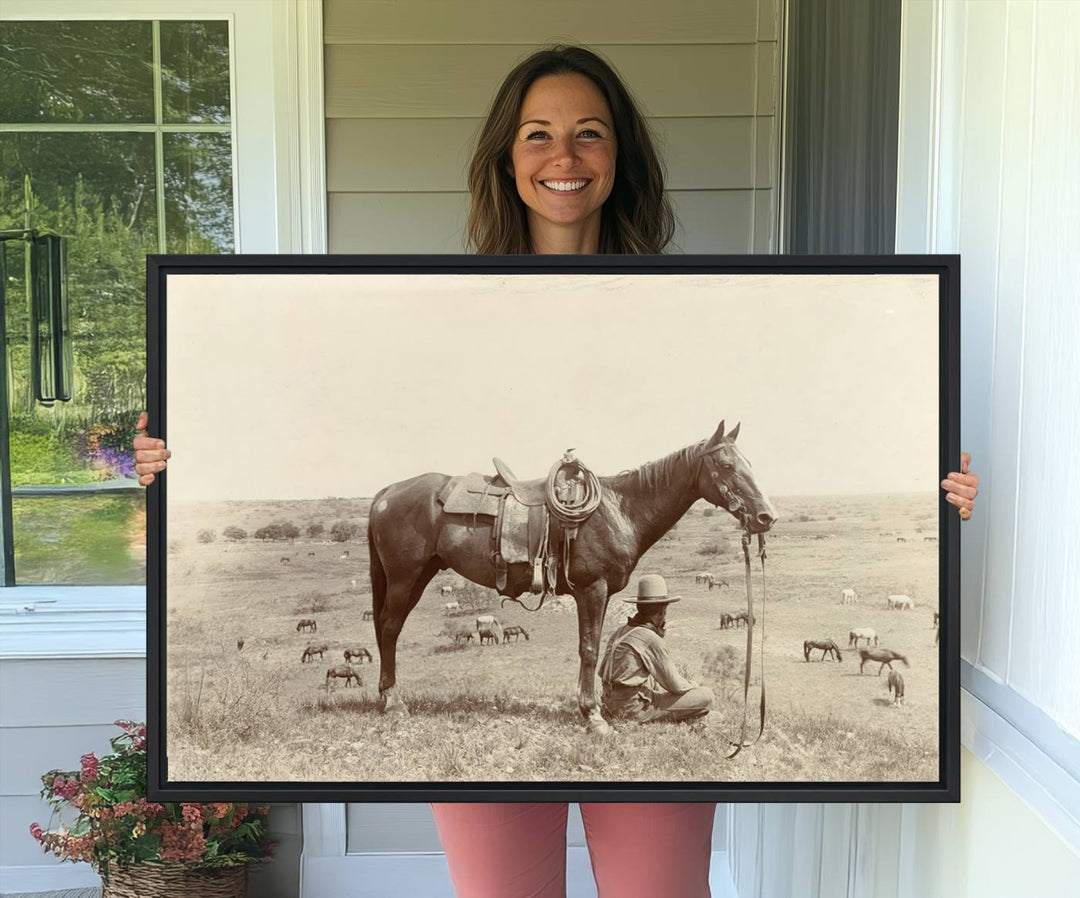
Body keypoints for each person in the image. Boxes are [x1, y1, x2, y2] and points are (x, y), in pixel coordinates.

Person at [133, 44, 980, 898]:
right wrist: (171, 460)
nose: (563, 157)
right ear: (507, 157)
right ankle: (406, 681)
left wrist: (938, 493)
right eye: (538, 135)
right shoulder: (442, 300)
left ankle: (599, 696)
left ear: (620, 158)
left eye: (589, 134)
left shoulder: (688, 301)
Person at [599, 574, 713, 723]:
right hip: (632, 710)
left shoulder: (620, 632)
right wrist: (694, 685)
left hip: (608, 705)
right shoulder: (650, 638)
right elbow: (676, 686)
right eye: (664, 612)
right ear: (662, 611)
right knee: (706, 695)